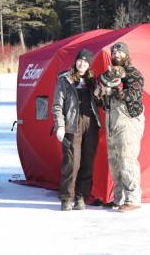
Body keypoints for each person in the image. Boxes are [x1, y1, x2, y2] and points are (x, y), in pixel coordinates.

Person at [52, 49, 101, 211]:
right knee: (72, 163)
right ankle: (67, 197)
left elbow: (101, 102)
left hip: (90, 123)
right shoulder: (64, 79)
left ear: (89, 65)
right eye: (80, 60)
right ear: (76, 61)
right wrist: (60, 125)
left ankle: (81, 196)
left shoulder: (92, 80)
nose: (82, 64)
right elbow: (57, 106)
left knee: (87, 161)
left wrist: (103, 90)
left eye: (86, 62)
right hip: (72, 125)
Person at [99, 41, 145, 212]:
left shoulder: (133, 73)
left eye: (120, 52)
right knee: (115, 162)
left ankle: (133, 199)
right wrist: (101, 94)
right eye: (114, 53)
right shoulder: (108, 74)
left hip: (128, 120)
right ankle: (118, 199)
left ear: (126, 54)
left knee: (127, 159)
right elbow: (103, 99)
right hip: (112, 120)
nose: (116, 55)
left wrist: (118, 91)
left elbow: (135, 94)